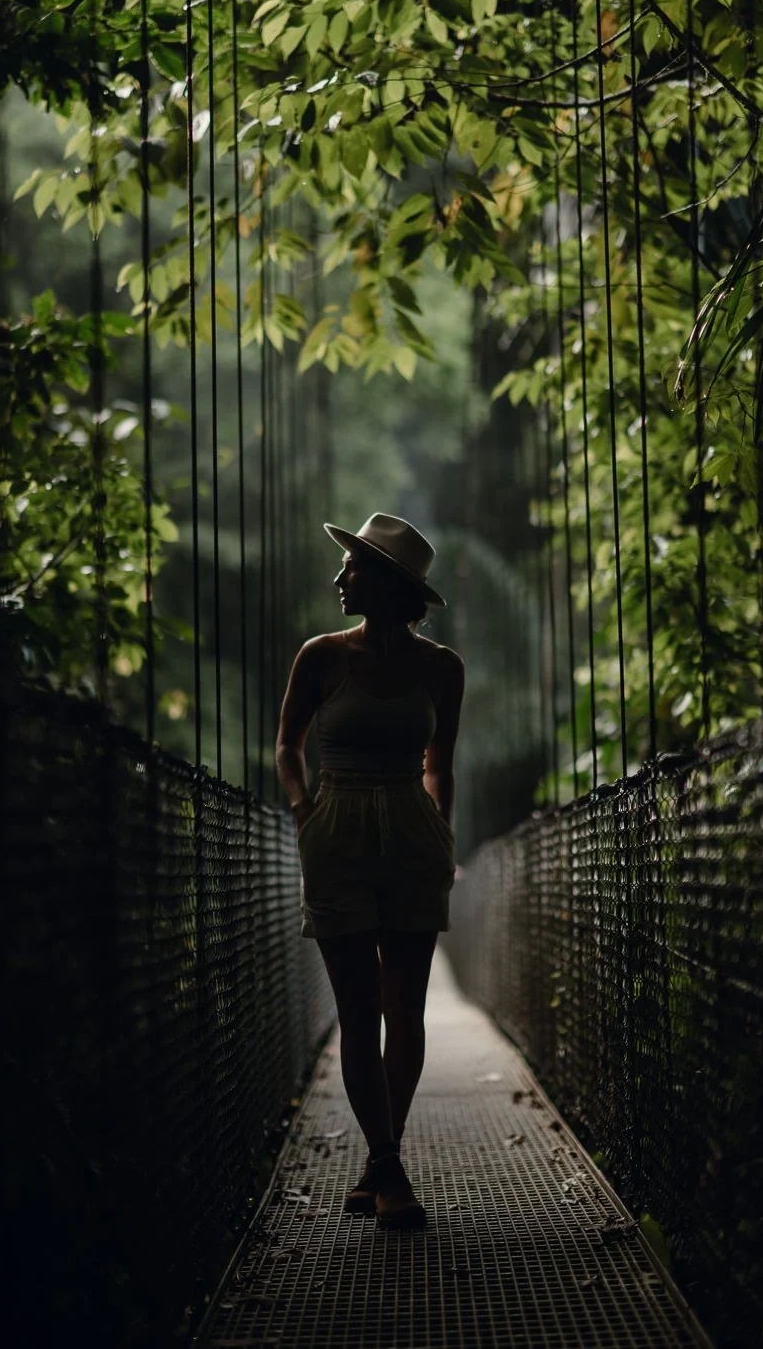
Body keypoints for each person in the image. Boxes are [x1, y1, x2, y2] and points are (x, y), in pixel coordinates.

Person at [276, 513, 465, 1229]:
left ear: (389, 584)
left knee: (403, 1010)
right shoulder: (320, 656)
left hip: (413, 841)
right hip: (337, 835)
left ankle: (381, 1161)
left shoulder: (442, 667)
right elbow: (287, 745)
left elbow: (440, 768)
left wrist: (442, 840)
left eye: (353, 568)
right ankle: (387, 1167)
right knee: (358, 1010)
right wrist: (301, 811)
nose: (339, 578)